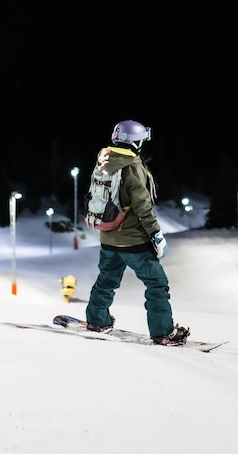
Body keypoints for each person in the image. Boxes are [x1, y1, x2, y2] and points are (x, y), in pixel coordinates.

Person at [85, 120, 190, 346]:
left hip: (108, 237)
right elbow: (142, 206)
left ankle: (97, 320)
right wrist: (156, 235)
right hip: (133, 240)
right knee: (156, 283)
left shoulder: (103, 161)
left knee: (106, 280)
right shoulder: (132, 166)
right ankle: (163, 331)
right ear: (136, 142)